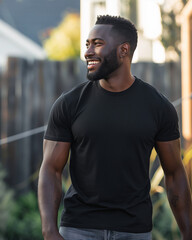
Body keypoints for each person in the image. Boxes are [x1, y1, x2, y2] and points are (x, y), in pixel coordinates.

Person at [38, 15, 192, 240]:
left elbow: (174, 173)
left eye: (97, 44)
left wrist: (188, 232)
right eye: (87, 44)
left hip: (135, 231)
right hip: (78, 229)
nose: (88, 52)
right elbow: (50, 169)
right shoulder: (69, 103)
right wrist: (49, 231)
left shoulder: (159, 107)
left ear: (124, 50)